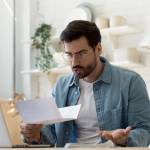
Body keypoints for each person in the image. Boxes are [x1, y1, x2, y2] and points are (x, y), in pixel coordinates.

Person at [20, 20, 150, 147]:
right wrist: (35, 134)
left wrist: (125, 139)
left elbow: (145, 131)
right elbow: (53, 133)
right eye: (69, 55)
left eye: (81, 54)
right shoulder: (61, 86)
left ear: (98, 49)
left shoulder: (131, 82)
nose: (74, 62)